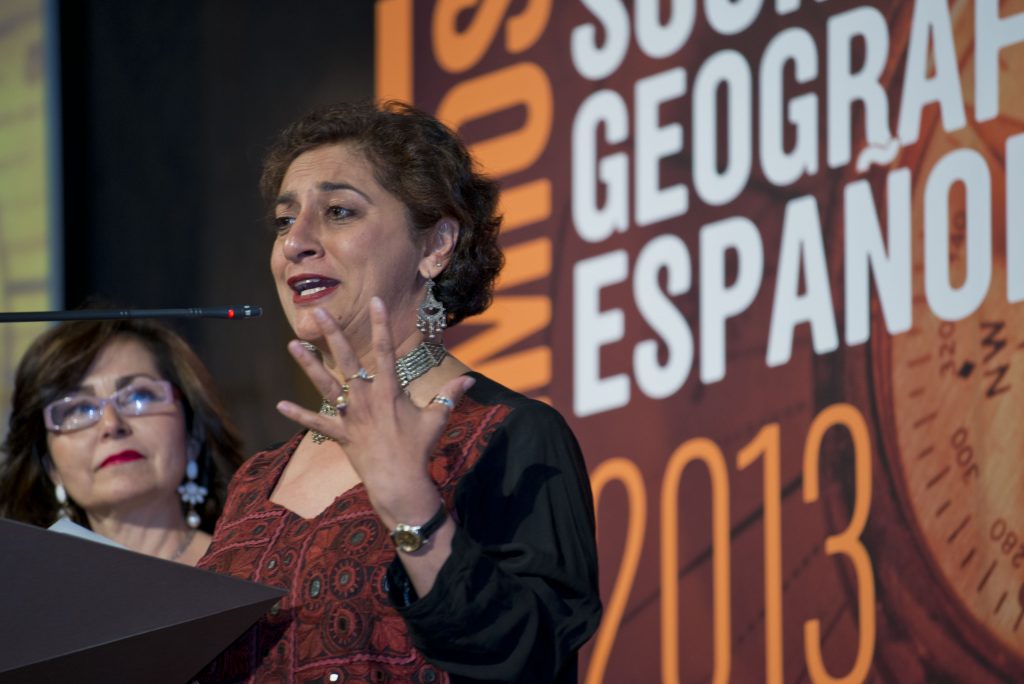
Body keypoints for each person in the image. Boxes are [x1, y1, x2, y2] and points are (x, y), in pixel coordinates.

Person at [196, 100, 602, 682]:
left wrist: (413, 509)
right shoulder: (253, 485)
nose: (295, 243)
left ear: (436, 246)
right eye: (284, 221)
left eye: (338, 211)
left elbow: (532, 657)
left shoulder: (510, 436)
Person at [0, 317, 245, 565]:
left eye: (140, 396)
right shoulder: (21, 585)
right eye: (79, 409)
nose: (111, 424)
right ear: (50, 465)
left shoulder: (246, 572)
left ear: (192, 435)